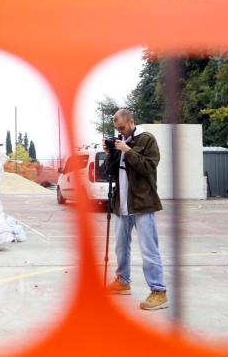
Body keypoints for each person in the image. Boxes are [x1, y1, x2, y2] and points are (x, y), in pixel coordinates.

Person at [103, 109, 168, 310]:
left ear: (131, 121)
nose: (120, 131)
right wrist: (110, 154)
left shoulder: (147, 139)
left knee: (149, 249)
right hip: (121, 203)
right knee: (121, 247)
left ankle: (159, 291)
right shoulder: (121, 142)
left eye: (122, 127)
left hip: (142, 203)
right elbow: (110, 172)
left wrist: (128, 151)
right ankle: (123, 282)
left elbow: (149, 167)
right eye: (117, 129)